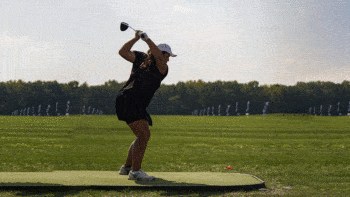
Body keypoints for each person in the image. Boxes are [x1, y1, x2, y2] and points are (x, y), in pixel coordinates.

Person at [116, 30, 176, 181]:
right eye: (167, 56)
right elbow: (123, 52)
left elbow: (158, 58)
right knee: (144, 134)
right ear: (162, 53)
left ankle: (127, 167)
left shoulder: (162, 68)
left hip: (133, 102)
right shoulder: (141, 57)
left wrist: (147, 40)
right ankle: (135, 172)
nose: (168, 60)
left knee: (141, 135)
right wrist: (136, 38)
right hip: (129, 99)